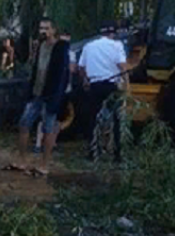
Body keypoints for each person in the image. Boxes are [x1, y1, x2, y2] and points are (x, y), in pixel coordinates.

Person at [7, 17, 70, 177]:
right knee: (24, 123)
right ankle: (23, 160)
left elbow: (62, 75)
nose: (43, 31)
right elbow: (35, 69)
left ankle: (44, 164)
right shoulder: (40, 46)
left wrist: (57, 96)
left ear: (54, 30)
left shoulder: (60, 48)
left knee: (48, 129)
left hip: (51, 95)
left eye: (47, 28)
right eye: (42, 28)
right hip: (36, 92)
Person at [79, 21, 128, 163]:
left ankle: (92, 152)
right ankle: (117, 155)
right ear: (113, 33)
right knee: (116, 120)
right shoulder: (117, 46)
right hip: (112, 85)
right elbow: (122, 66)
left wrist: (86, 81)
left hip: (95, 85)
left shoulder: (89, 46)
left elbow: (81, 67)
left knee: (93, 119)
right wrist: (127, 85)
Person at [34, 30, 75, 152]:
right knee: (55, 116)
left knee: (45, 116)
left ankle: (39, 143)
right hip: (61, 89)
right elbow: (72, 70)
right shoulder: (69, 52)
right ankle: (50, 143)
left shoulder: (47, 50)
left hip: (46, 88)